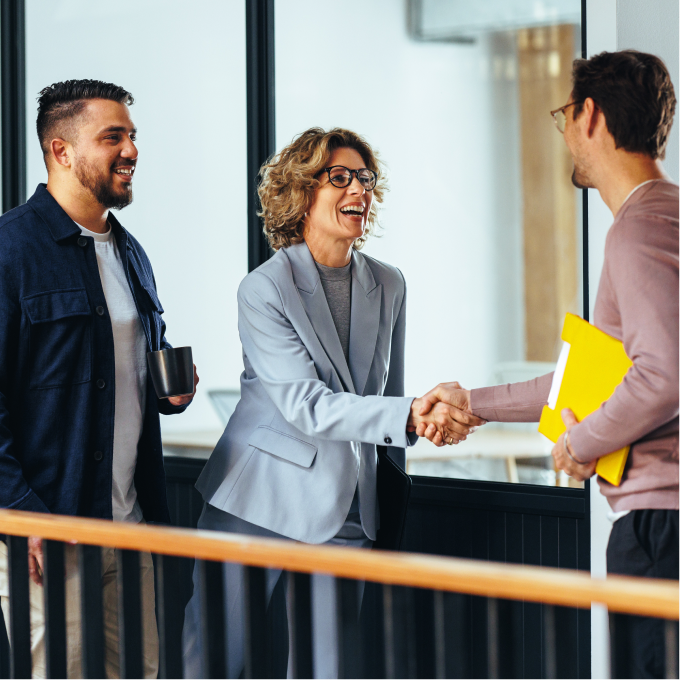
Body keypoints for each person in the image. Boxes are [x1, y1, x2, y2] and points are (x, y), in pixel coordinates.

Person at [182, 127, 480, 679]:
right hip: (256, 497)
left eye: (365, 179)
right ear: (301, 193)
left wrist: (425, 422)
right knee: (218, 662)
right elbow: (306, 404)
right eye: (339, 178)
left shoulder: (390, 284)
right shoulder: (264, 288)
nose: (359, 191)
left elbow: (392, 394)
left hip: (347, 503)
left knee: (330, 668)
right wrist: (413, 414)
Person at [418, 50, 678, 680]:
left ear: (589, 116)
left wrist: (579, 443)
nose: (564, 132)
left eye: (565, 114)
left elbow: (664, 374)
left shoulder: (636, 232)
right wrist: (474, 403)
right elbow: (593, 378)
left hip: (659, 528)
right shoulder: (664, 218)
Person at [0, 79, 198, 680]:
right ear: (61, 151)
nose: (131, 150)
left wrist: (170, 390)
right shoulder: (9, 250)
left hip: (131, 524)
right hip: (50, 531)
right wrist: (20, 512)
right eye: (112, 136)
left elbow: (127, 374)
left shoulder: (131, 253)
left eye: (132, 136)